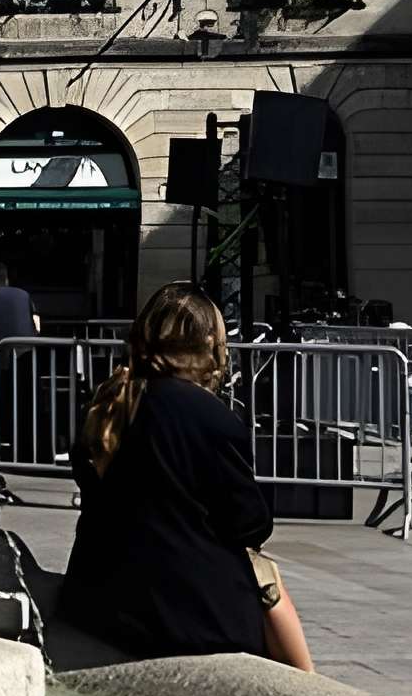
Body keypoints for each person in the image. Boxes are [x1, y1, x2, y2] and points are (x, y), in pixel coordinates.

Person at [58, 283, 314, 670]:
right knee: (267, 580)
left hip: (97, 594)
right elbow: (251, 525)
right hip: (189, 614)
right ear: (207, 343)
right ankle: (307, 693)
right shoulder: (210, 416)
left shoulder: (108, 403)